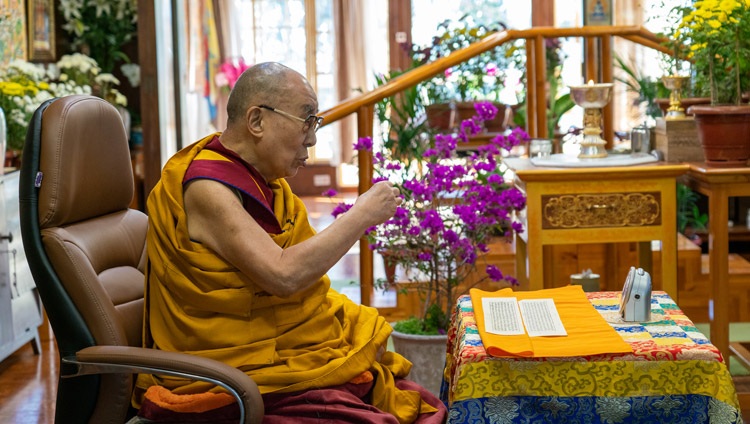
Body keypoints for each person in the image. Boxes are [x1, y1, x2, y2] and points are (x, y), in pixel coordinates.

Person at [135, 62, 447, 423]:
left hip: (279, 355)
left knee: (410, 397)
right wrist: (360, 215)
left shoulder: (266, 183)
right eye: (307, 119)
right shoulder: (208, 187)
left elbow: (299, 283)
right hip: (233, 370)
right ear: (256, 121)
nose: (312, 137)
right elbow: (283, 276)